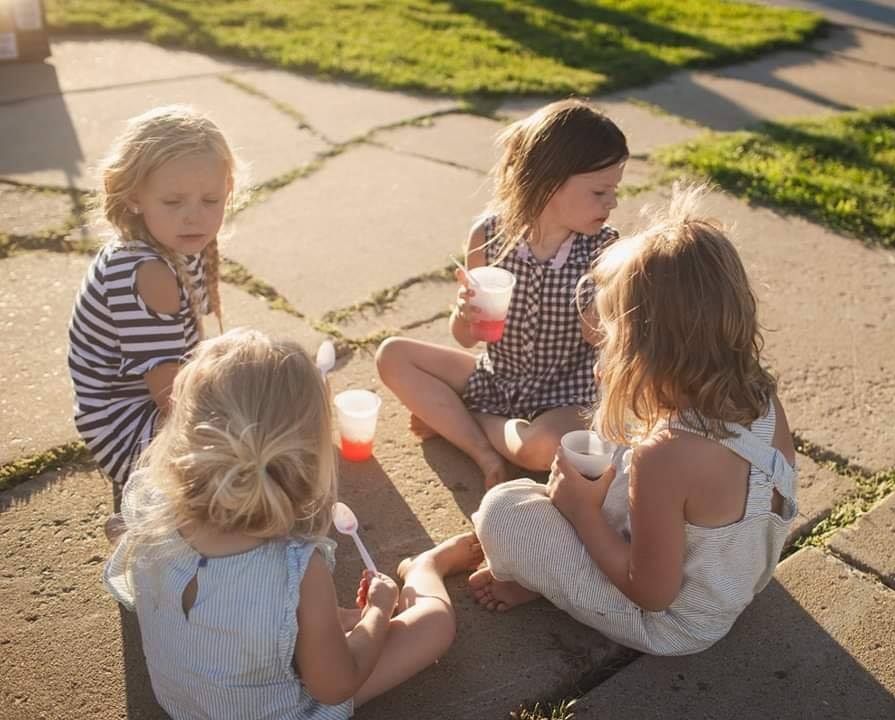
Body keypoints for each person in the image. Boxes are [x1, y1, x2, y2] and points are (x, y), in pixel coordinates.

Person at [469, 184, 799, 656]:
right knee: (615, 436)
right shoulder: (759, 394)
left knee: (504, 510)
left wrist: (580, 510)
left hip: (677, 624)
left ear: (640, 347)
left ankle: (537, 580)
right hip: (737, 579)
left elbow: (650, 593)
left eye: (613, 335)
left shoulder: (664, 457)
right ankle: (565, 554)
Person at [103, 329, 482, 717]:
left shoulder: (149, 507)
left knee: (297, 617)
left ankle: (345, 623)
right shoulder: (296, 570)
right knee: (434, 624)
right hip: (278, 711)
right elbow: (336, 685)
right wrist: (378, 613)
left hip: (184, 705)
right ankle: (425, 569)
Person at [376, 99, 628, 489]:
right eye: (600, 191)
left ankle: (456, 420)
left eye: (614, 190)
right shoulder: (490, 237)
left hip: (566, 393)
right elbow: (466, 338)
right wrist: (465, 316)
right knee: (392, 354)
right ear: (549, 186)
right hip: (498, 375)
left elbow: (601, 341)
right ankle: (482, 449)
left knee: (540, 451)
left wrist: (601, 312)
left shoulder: (605, 250)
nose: (612, 202)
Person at [68, 105, 237, 488]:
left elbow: (188, 349)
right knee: (258, 450)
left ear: (227, 190)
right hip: (131, 434)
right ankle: (152, 519)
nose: (194, 216)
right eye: (173, 202)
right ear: (133, 196)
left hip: (151, 403)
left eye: (210, 200)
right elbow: (170, 396)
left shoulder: (176, 243)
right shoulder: (148, 273)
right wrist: (233, 426)